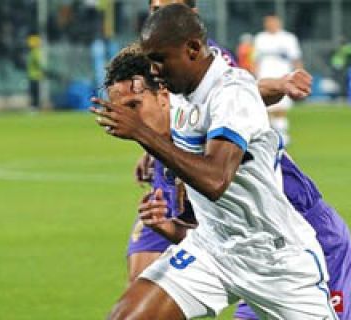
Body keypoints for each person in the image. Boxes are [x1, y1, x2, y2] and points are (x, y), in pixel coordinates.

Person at [92, 5, 337, 319]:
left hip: (276, 261)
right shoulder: (181, 89)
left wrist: (141, 133)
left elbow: (215, 180)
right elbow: (173, 121)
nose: (154, 70)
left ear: (193, 49)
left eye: (159, 59)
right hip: (212, 250)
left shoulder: (231, 94)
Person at [127, 0, 312, 287]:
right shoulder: (153, 52)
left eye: (168, 7)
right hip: (170, 180)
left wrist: (278, 84)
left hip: (206, 187)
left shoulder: (208, 58)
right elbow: (168, 108)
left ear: (192, 15)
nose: (160, 14)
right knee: (139, 285)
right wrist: (152, 151)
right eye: (154, 8)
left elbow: (235, 97)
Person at [254, 15, 303, 145]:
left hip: (283, 77)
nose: (270, 24)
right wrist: (253, 75)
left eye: (273, 22)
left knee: (281, 108)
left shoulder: (288, 38)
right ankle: (268, 136)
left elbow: (296, 59)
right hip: (264, 76)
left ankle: (283, 135)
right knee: (265, 107)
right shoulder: (260, 38)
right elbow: (256, 60)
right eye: (268, 22)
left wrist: (299, 76)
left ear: (279, 23)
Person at [26, 35, 44, 110]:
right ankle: (34, 107)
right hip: (32, 75)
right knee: (33, 92)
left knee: (35, 93)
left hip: (35, 76)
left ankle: (35, 107)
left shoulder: (36, 52)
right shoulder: (33, 52)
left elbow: (39, 64)